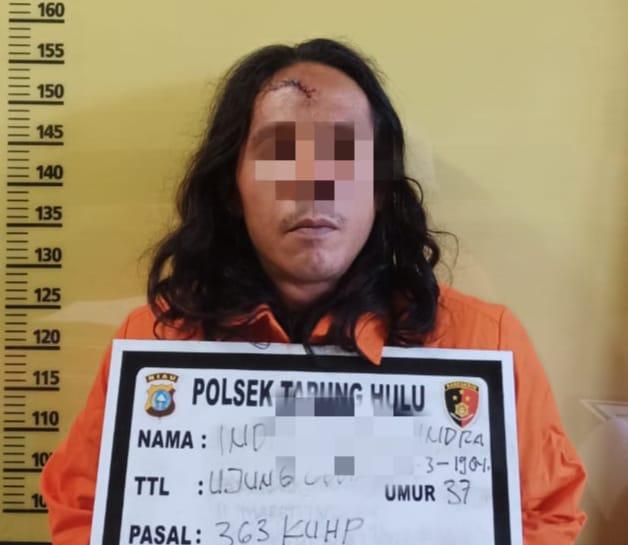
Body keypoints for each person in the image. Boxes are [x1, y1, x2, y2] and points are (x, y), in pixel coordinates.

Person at [40, 38, 587, 544]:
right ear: (231, 189)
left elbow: (543, 516)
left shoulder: (484, 342)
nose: (314, 185)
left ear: (380, 188)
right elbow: (86, 512)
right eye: (280, 154)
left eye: (343, 153)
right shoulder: (155, 341)